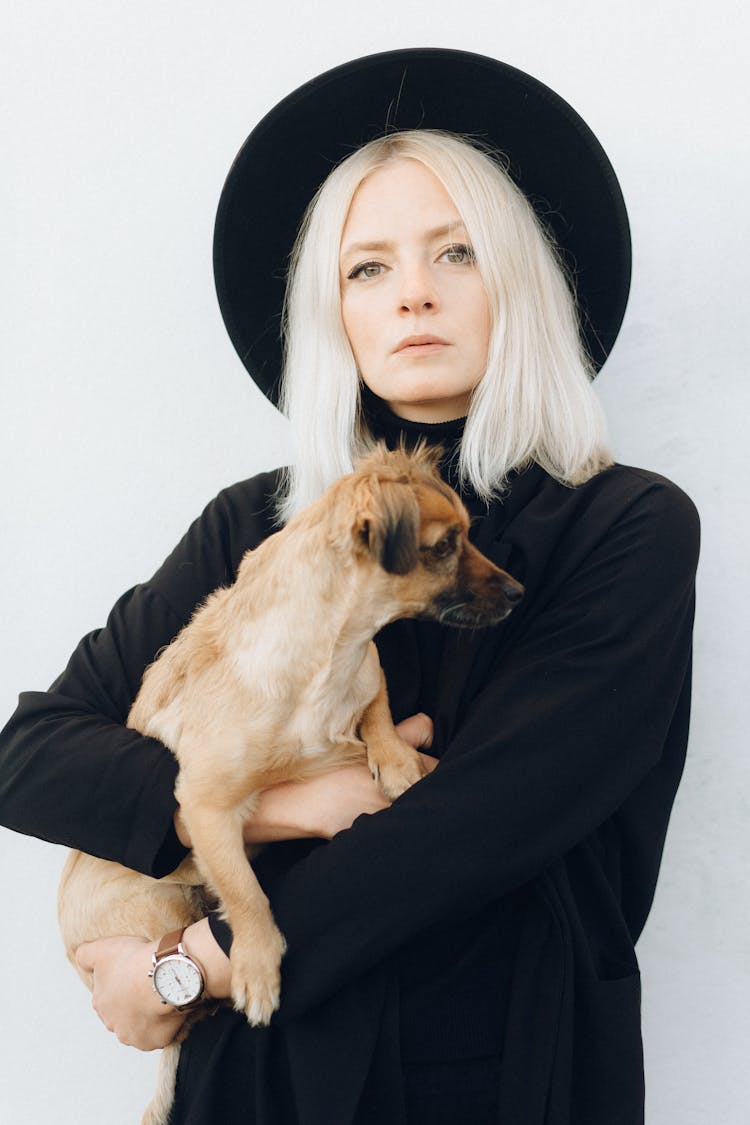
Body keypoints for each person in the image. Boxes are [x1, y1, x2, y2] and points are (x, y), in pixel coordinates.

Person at [0, 49, 699, 1125]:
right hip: (261, 1084)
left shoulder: (625, 528)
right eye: (367, 268)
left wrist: (203, 962)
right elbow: (35, 755)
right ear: (334, 312)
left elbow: (483, 822)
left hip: (506, 1076)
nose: (412, 292)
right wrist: (281, 810)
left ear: (518, 281)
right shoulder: (259, 525)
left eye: (454, 253)